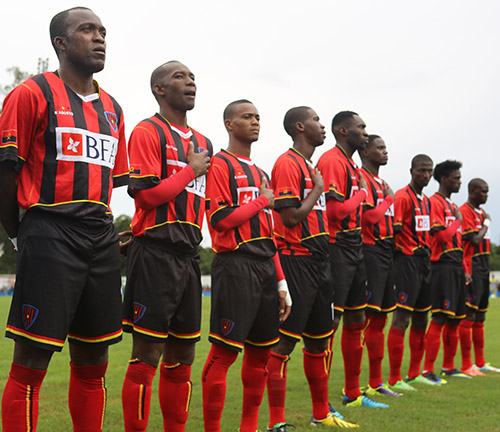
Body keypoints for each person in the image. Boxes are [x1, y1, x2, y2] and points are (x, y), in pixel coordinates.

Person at [0, 7, 129, 431]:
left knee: (94, 360)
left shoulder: (113, 108)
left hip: (100, 236)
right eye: (87, 30)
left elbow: (111, 182)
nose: (99, 38)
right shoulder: (31, 93)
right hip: (49, 231)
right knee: (32, 360)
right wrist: (20, 234)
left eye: (103, 32)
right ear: (60, 42)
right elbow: (5, 172)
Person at [121, 61, 212, 432]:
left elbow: (200, 202)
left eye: (192, 77)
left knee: (183, 357)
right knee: (147, 356)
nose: (190, 82)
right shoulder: (147, 130)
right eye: (179, 77)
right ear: (159, 89)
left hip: (189, 257)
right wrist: (189, 171)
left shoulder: (204, 143)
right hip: (155, 253)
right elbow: (145, 198)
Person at [201, 100, 291, 432]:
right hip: (235, 264)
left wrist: (281, 282)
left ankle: (249, 428)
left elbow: (270, 236)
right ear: (228, 123)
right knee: (224, 353)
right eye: (246, 116)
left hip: (265, 267)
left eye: (257, 117)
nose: (254, 122)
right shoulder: (221, 164)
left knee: (260, 356)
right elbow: (222, 220)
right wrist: (262, 200)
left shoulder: (261, 172)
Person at [266, 107, 358, 430]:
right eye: (318, 121)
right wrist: (318, 190)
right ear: (300, 126)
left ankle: (321, 414)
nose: (323, 126)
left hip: (321, 262)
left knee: (319, 340)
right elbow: (289, 217)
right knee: (284, 342)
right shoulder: (287, 163)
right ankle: (277, 421)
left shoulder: (310, 166)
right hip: (296, 259)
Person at [317, 111, 388, 409]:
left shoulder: (351, 165)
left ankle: (353, 392)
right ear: (343, 131)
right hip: (336, 247)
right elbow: (334, 213)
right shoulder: (333, 160)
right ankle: (322, 404)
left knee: (358, 318)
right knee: (331, 321)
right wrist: (360, 196)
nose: (365, 132)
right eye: (361, 127)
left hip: (355, 246)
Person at [387, 154, 436, 391]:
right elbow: (394, 233)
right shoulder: (402, 197)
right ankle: (395, 378)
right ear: (411, 171)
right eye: (421, 170)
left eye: (429, 171)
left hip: (424, 263)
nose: (425, 175)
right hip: (406, 262)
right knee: (402, 318)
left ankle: (414, 374)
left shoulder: (425, 200)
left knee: (421, 318)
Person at [358, 135, 400, 397]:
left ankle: (377, 382)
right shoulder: (361, 179)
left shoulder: (382, 182)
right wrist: (387, 201)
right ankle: (357, 385)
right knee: (365, 319)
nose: (386, 152)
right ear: (365, 151)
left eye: (386, 147)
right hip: (369, 251)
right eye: (380, 148)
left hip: (387, 253)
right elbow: (368, 217)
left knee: (381, 319)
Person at [422, 160, 470, 383]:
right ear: (444, 179)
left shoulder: (452, 206)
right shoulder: (435, 203)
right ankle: (427, 370)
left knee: (456, 318)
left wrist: (464, 268)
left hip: (456, 265)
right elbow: (440, 236)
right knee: (440, 316)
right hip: (441, 265)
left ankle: (449, 367)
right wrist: (457, 223)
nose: (459, 182)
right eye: (456, 178)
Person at [459, 179, 500, 374]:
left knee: (481, 316)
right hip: (471, 267)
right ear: (472, 191)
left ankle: (481, 362)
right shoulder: (465, 211)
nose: (486, 195)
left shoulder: (482, 213)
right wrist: (486, 223)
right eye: (483, 192)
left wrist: (485, 221)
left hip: (484, 268)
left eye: (488, 192)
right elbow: (474, 240)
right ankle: (467, 364)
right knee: (469, 315)